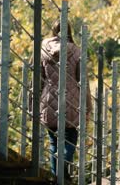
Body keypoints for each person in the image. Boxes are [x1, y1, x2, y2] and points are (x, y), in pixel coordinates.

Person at [39, 20, 92, 177]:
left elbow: (38, 79)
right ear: (69, 31)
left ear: (53, 31)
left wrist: (32, 104)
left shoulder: (43, 49)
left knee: (54, 144)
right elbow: (84, 83)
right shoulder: (76, 51)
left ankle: (58, 177)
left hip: (48, 102)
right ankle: (61, 173)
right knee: (69, 143)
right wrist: (88, 108)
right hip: (72, 104)